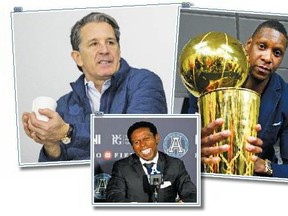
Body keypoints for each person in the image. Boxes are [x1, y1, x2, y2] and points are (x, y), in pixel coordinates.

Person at [21, 12, 167, 162]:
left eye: (111, 42)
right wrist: (50, 144)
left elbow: (138, 138)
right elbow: (54, 174)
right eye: (94, 43)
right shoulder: (64, 105)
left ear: (119, 49)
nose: (104, 50)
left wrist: (69, 132)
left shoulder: (145, 82)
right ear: (78, 58)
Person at [189, 19, 288, 178]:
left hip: (257, 180)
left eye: (277, 53)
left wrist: (265, 166)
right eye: (262, 46)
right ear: (248, 45)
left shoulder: (286, 97)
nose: (268, 58)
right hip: (211, 173)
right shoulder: (210, 81)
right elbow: (184, 141)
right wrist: (194, 147)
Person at [106, 121, 197, 202]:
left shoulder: (175, 164)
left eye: (146, 139)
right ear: (132, 146)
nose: (143, 145)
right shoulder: (122, 167)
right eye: (136, 142)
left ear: (156, 138)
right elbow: (114, 194)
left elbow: (190, 193)